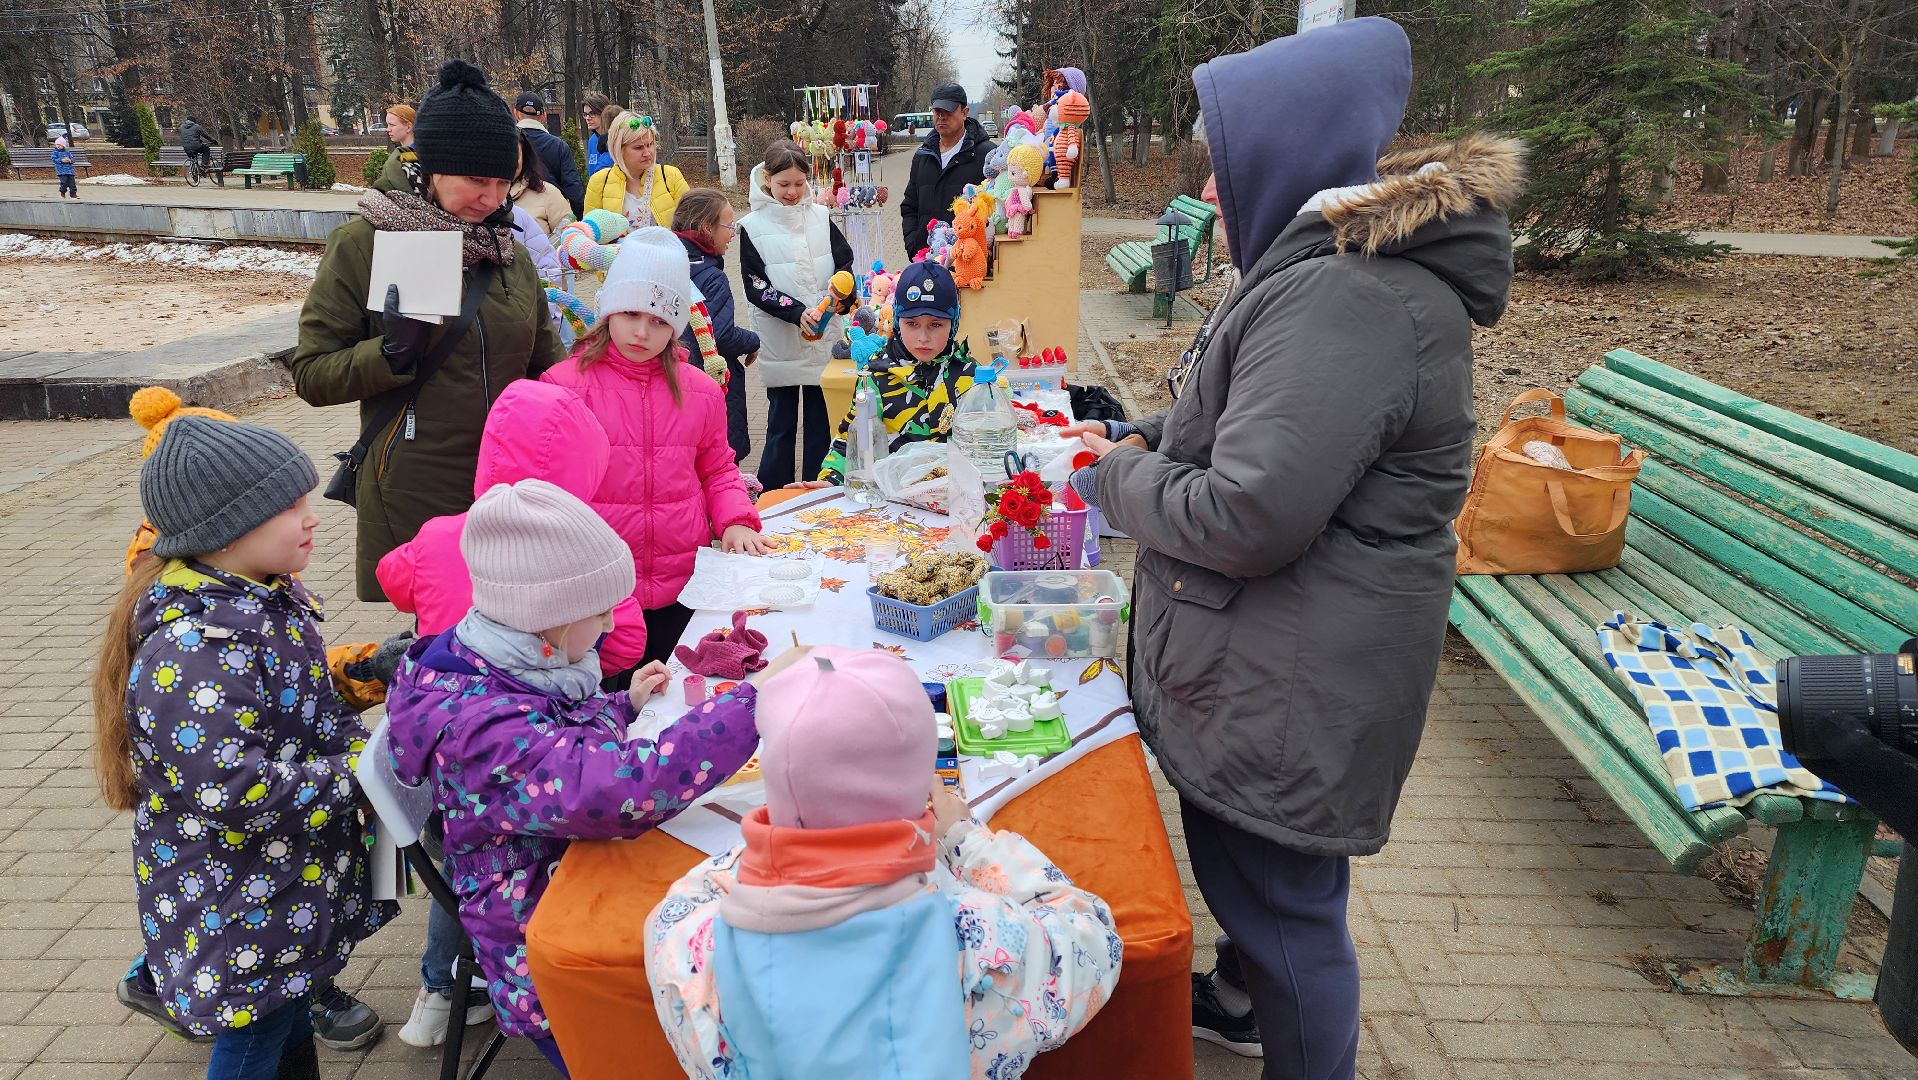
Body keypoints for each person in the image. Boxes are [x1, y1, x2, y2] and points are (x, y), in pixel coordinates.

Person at [1061, 20, 1522, 1078]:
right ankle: (1243, 999)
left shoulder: (1346, 294)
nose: (1206, 193)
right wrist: (1145, 437)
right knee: (1264, 887)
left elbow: (1249, 514)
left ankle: (1300, 1041)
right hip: (1282, 655)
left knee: (1285, 909)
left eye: (1220, 167)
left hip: (1292, 671)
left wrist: (1112, 479)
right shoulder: (1324, 272)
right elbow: (1257, 427)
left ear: (1283, 157)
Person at [383, 478, 782, 1073]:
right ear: (547, 624)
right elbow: (621, 791)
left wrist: (623, 705)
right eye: (600, 612)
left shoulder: (500, 661)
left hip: (558, 860)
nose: (610, 624)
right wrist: (752, 704)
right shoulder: (483, 729)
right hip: (538, 935)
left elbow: (557, 743)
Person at [646, 646, 1124, 1078]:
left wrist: (777, 845)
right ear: (922, 790)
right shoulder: (984, 941)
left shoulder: (693, 949)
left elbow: (684, 901)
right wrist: (966, 840)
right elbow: (1095, 939)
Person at [91, 415, 395, 1076]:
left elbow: (299, 707)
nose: (312, 517)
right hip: (238, 897)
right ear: (228, 529)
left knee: (286, 1020)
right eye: (290, 507)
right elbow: (235, 787)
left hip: (278, 885)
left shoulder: (262, 602)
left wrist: (365, 691)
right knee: (258, 1036)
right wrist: (364, 771)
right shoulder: (195, 645)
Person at [291, 59, 562, 603]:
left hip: (510, 483)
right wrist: (390, 353)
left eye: (503, 183)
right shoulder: (366, 243)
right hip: (418, 484)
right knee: (445, 632)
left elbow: (548, 367)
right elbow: (312, 374)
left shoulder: (507, 252)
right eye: (476, 181)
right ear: (433, 168)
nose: (492, 199)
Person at [540, 227, 768, 672]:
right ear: (609, 310)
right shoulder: (564, 386)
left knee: (674, 693)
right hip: (599, 596)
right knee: (607, 700)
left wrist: (736, 520)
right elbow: (546, 488)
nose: (642, 332)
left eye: (661, 321)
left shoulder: (701, 391)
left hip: (682, 587)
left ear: (677, 326)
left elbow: (718, 469)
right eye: (631, 313)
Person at [377, 379, 648, 678]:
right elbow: (628, 640)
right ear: (587, 469)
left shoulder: (437, 535)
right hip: (536, 696)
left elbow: (391, 578)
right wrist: (575, 662)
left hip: (441, 684)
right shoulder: (580, 553)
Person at [738, 140, 853, 489]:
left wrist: (842, 298)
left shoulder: (820, 216)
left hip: (822, 335)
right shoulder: (752, 226)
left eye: (799, 183)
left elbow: (844, 263)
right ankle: (773, 493)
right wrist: (796, 312)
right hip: (781, 340)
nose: (792, 192)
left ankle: (817, 488)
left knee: (821, 420)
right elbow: (755, 285)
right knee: (781, 423)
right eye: (784, 184)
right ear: (767, 180)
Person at [818, 261, 976, 484]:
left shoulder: (970, 374)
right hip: (895, 495)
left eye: (935, 325)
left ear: (954, 322)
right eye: (912, 323)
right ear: (897, 321)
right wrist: (830, 480)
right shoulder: (876, 376)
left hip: (957, 494)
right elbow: (851, 440)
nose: (923, 337)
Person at [671, 188, 759, 462]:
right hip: (709, 385)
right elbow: (719, 335)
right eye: (728, 226)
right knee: (719, 461)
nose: (732, 233)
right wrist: (753, 341)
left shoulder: (664, 262)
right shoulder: (712, 277)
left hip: (673, 379)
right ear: (706, 228)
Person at [899, 83, 994, 257]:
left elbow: (995, 210)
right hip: (926, 259)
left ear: (964, 113)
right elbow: (910, 205)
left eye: (948, 111)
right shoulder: (922, 156)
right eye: (937, 111)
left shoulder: (986, 155)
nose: (941, 117)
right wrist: (913, 244)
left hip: (968, 261)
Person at [584, 111, 690, 230]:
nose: (647, 153)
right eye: (638, 147)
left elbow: (690, 227)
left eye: (650, 144)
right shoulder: (599, 182)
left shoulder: (671, 176)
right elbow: (589, 231)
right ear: (618, 148)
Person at [512, 91, 585, 216]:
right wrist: (577, 217)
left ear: (515, 113)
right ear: (543, 116)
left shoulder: (508, 144)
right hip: (553, 215)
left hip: (513, 215)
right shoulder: (559, 146)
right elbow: (573, 187)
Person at [511, 129, 576, 238]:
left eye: (513, 155)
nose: (506, 162)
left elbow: (571, 238)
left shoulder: (547, 193)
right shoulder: (481, 198)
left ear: (524, 156)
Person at [582, 93, 613, 173]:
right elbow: (591, 171)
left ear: (604, 113)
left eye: (592, 113)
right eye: (585, 114)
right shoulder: (592, 140)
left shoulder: (616, 138)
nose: (588, 118)